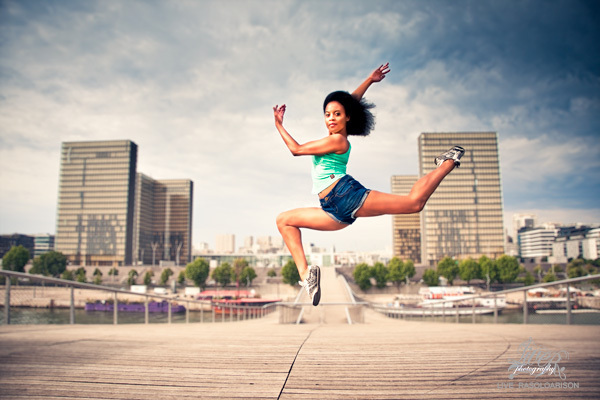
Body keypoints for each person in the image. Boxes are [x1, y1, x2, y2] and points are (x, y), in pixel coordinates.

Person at [273, 63, 464, 306]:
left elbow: (296, 149)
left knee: (414, 204)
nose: (331, 118)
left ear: (347, 118)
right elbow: (351, 102)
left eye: (337, 114)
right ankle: (306, 276)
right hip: (333, 209)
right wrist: (369, 80)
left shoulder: (338, 141)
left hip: (346, 195)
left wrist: (279, 125)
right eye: (327, 114)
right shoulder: (336, 134)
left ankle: (447, 163)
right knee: (284, 221)